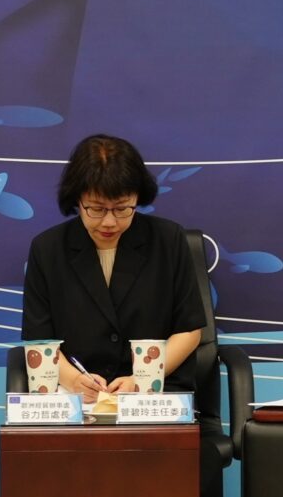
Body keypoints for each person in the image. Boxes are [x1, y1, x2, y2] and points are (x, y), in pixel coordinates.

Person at [22, 134, 204, 401]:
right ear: (77, 199)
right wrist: (74, 380)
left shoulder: (169, 241)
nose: (109, 222)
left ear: (137, 198)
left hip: (154, 394)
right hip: (77, 397)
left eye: (121, 209)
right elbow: (39, 340)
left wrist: (140, 380)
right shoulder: (47, 250)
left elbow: (189, 329)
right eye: (96, 209)